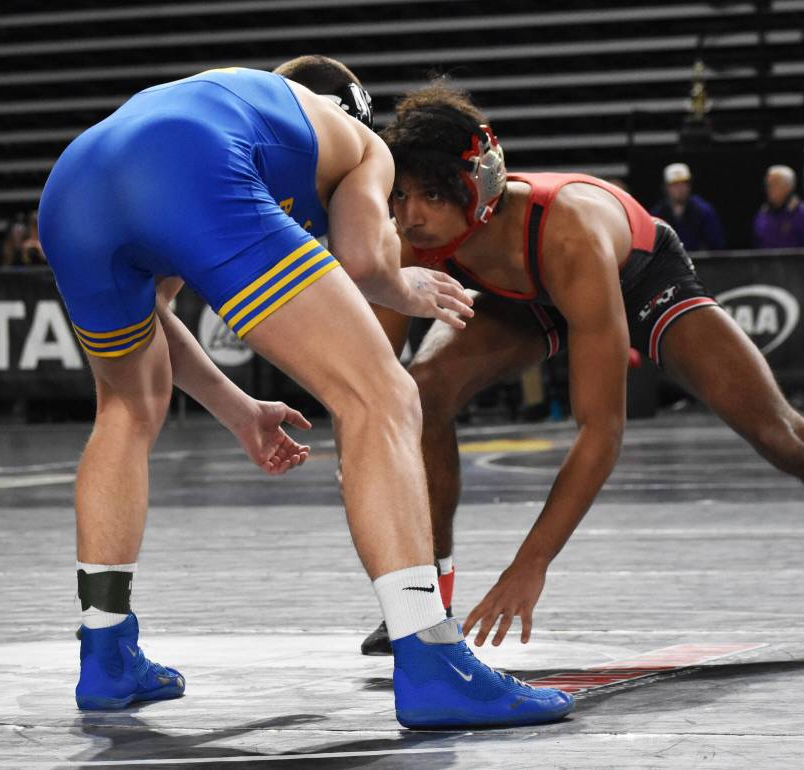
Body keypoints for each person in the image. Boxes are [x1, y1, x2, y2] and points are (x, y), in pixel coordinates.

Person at [357, 78, 804, 655]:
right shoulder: (413, 235)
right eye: (402, 195)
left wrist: (532, 562)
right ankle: (424, 598)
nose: (412, 214)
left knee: (780, 433)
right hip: (524, 298)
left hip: (634, 276)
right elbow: (378, 381)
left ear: (479, 184)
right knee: (419, 395)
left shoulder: (568, 232)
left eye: (433, 196)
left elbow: (601, 430)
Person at [38, 58, 572, 728]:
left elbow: (158, 317)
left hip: (73, 187)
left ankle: (107, 652)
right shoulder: (359, 143)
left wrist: (238, 409)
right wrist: (405, 287)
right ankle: (431, 659)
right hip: (191, 168)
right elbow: (365, 262)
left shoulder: (238, 107)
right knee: (384, 397)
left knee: (125, 407)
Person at [649, 162, 725, 250]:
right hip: (670, 262)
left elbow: (717, 245)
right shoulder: (658, 213)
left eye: (684, 183)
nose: (680, 189)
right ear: (666, 187)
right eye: (674, 184)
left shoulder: (704, 211)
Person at [751, 165, 804, 249]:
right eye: (768, 184)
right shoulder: (761, 214)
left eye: (775, 184)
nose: (769, 188)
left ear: (788, 187)